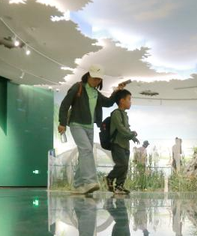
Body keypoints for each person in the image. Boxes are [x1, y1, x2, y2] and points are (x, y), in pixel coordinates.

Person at [57, 65, 130, 195]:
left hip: (89, 127)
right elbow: (65, 104)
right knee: (86, 150)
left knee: (84, 154)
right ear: (88, 76)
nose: (96, 81)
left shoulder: (95, 93)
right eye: (94, 78)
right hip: (76, 124)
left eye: (99, 79)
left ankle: (78, 185)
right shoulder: (78, 87)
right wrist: (62, 123)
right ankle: (90, 181)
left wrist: (117, 91)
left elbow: (108, 102)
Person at [106, 89, 139, 195]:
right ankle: (110, 177)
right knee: (122, 164)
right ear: (122, 101)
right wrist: (131, 135)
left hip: (125, 145)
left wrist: (133, 137)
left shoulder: (125, 115)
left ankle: (119, 186)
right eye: (129, 99)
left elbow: (126, 129)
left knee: (125, 166)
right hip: (117, 144)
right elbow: (121, 129)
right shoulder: (116, 113)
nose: (130, 102)